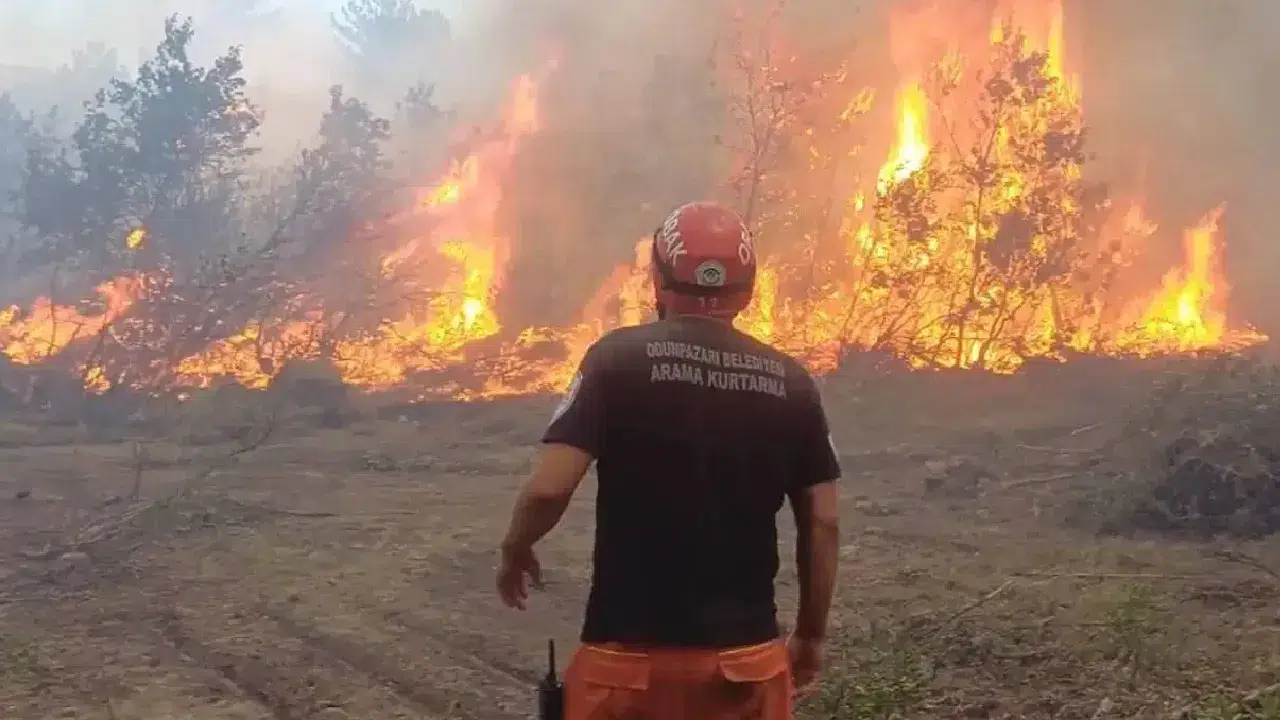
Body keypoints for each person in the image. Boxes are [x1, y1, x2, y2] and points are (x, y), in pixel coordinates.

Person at [496, 201, 841, 719]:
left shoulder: (616, 360)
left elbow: (550, 488)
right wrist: (810, 635)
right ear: (749, 290)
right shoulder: (792, 383)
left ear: (657, 280)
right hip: (744, 666)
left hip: (627, 671)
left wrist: (516, 547)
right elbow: (823, 521)